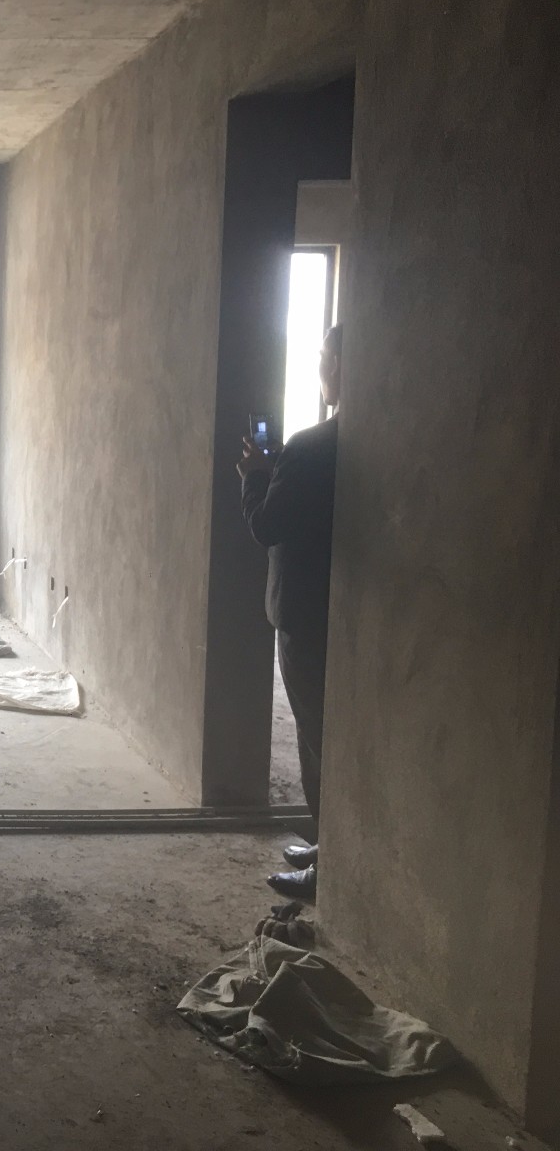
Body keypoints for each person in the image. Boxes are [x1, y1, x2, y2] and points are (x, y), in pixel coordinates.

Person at [238, 324, 342, 901]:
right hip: (341, 613)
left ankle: (330, 874)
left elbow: (266, 526)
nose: (319, 368)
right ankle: (331, 850)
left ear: (341, 365)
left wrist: (255, 477)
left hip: (303, 616)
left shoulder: (308, 447)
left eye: (324, 356)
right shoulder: (369, 440)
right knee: (327, 739)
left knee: (319, 745)